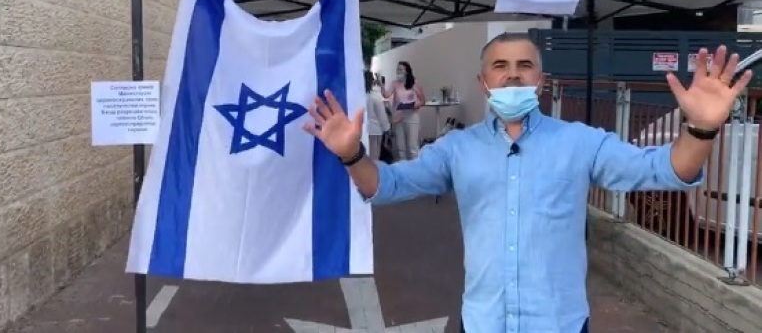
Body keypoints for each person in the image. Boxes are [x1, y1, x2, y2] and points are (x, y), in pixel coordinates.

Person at [303, 33, 752, 333]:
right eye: (500, 66)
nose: (512, 74)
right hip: (483, 321)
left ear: (541, 81)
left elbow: (666, 169)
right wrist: (351, 154)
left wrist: (701, 128)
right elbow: (387, 185)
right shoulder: (457, 149)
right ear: (483, 82)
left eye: (524, 66)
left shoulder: (580, 143)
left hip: (559, 323)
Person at [381, 61, 425, 161]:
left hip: (411, 116)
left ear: (406, 71)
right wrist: (382, 86)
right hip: (398, 118)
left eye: (400, 69)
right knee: (400, 147)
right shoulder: (395, 83)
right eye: (397, 69)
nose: (398, 71)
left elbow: (423, 100)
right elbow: (386, 95)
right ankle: (403, 167)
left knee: (412, 146)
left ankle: (416, 167)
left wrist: (416, 104)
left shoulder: (414, 83)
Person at [365, 70, 390, 161]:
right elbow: (382, 116)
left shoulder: (357, 96)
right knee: (374, 157)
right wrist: (387, 128)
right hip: (374, 130)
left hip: (361, 130)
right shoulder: (375, 96)